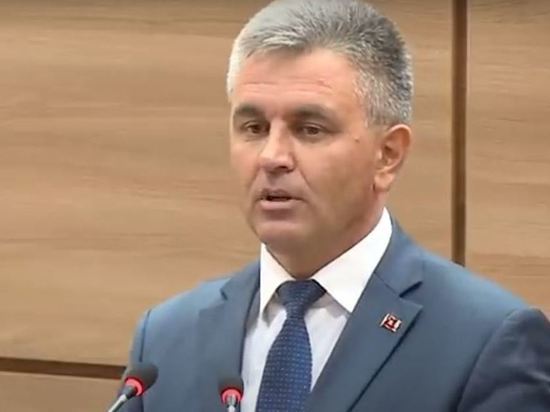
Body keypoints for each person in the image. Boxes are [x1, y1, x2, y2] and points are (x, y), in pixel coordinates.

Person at [120, 0, 550, 411]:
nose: (272, 156)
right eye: (253, 127)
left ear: (388, 155)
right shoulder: (165, 340)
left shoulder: (484, 341)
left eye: (310, 129)